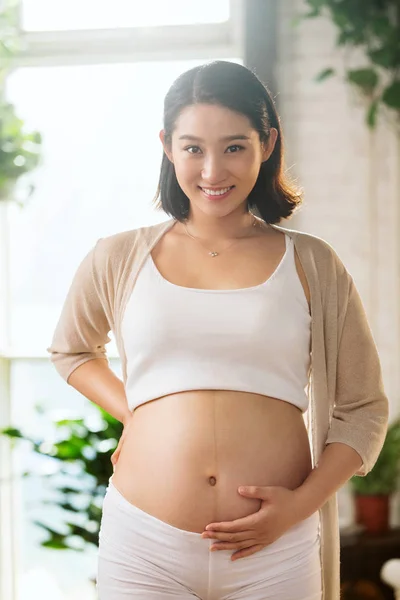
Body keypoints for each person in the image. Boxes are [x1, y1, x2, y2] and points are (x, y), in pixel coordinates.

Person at [47, 60, 389, 600]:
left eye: (234, 147)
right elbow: (72, 350)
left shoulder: (313, 264)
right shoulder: (118, 257)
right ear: (167, 145)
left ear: (267, 142)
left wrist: (299, 507)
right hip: (143, 543)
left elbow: (363, 409)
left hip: (274, 549)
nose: (212, 171)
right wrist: (137, 413)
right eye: (192, 148)